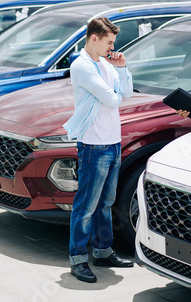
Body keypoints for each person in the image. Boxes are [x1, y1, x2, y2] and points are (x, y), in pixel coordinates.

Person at [63, 17, 134, 283]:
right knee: (86, 206)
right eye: (109, 42)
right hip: (93, 144)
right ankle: (78, 258)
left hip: (113, 141)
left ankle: (103, 252)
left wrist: (123, 67)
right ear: (94, 38)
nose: (112, 47)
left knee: (105, 204)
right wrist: (114, 92)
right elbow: (111, 98)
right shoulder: (82, 66)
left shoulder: (106, 63)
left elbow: (124, 93)